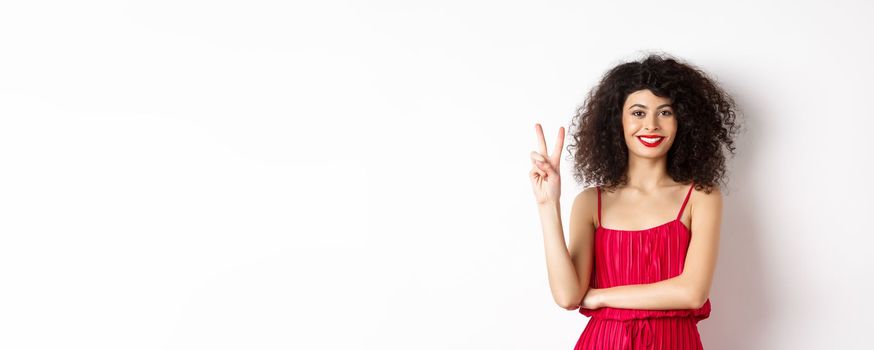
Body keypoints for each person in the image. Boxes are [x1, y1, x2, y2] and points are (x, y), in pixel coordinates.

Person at [529, 53, 740, 349]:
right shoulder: (591, 202)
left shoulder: (701, 197)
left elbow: (692, 293)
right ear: (618, 120)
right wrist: (547, 204)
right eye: (638, 113)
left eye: (665, 112)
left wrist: (601, 296)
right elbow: (567, 296)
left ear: (683, 121)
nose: (651, 124)